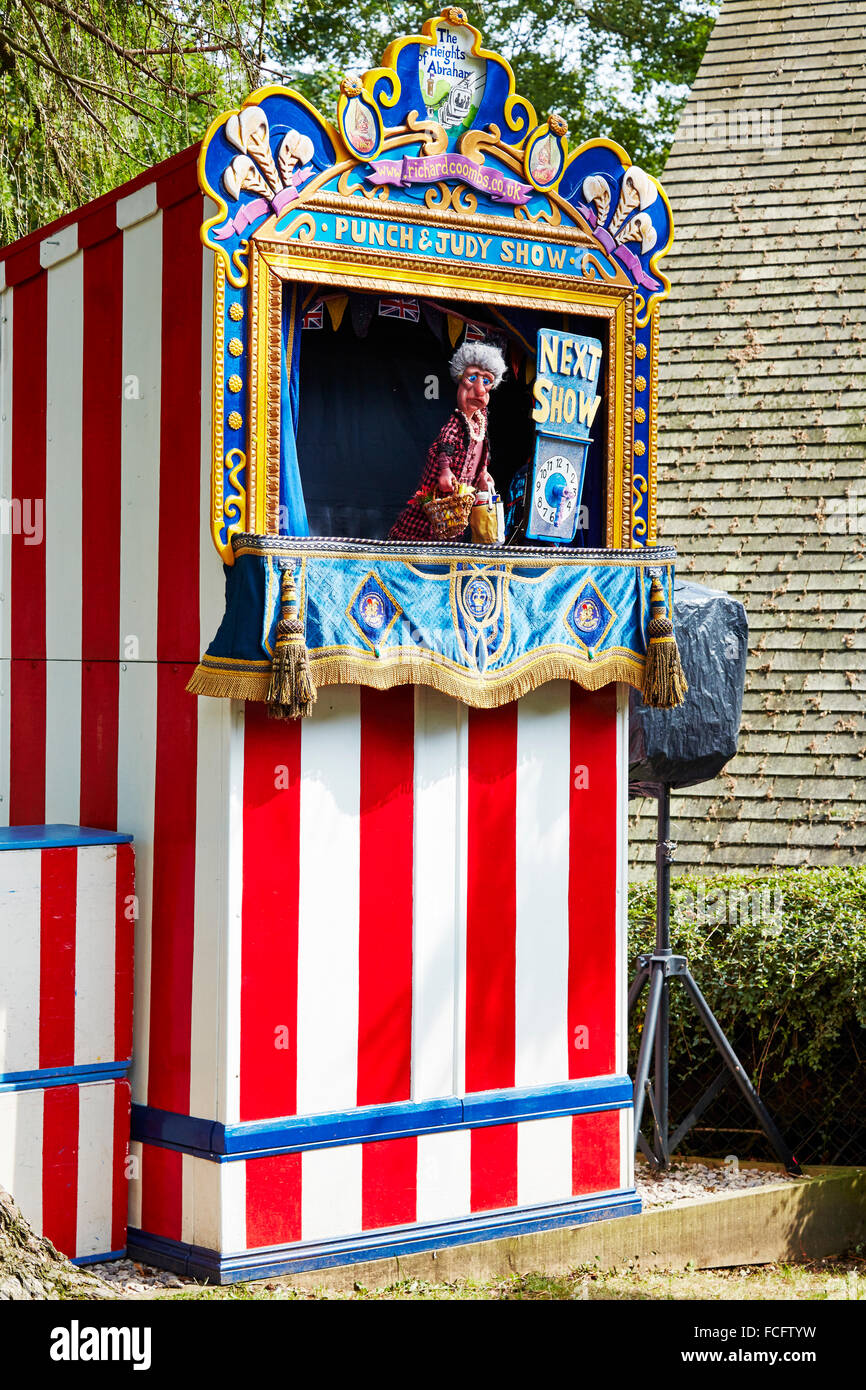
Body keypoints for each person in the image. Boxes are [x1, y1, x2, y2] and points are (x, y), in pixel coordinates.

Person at [388, 341, 506, 541]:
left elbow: (482, 452)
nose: (479, 389)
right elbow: (445, 445)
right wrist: (445, 470)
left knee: (451, 525)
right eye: (473, 378)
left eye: (486, 381)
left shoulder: (481, 422)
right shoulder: (457, 422)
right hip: (441, 491)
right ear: (461, 378)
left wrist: (483, 473)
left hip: (458, 498)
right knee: (427, 519)